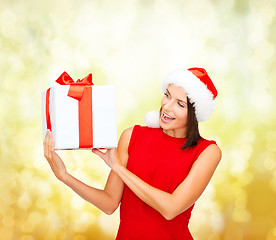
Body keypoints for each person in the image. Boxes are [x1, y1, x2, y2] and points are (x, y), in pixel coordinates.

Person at [43, 67, 222, 240]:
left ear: (195, 113)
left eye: (180, 104)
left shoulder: (207, 152)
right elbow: (109, 203)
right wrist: (64, 176)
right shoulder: (132, 136)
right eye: (167, 95)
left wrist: (120, 169)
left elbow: (170, 208)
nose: (167, 107)